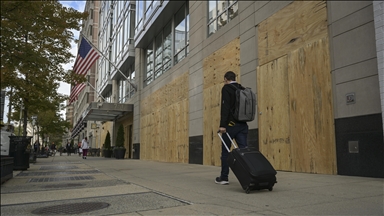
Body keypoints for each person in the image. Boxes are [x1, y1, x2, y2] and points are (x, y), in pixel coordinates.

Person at [216, 71, 248, 185]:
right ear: (235, 78)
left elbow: (225, 107)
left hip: (230, 126)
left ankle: (224, 177)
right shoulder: (242, 89)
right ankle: (250, 175)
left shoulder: (226, 88)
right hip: (243, 125)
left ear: (225, 79)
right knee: (244, 151)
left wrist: (222, 125)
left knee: (226, 152)